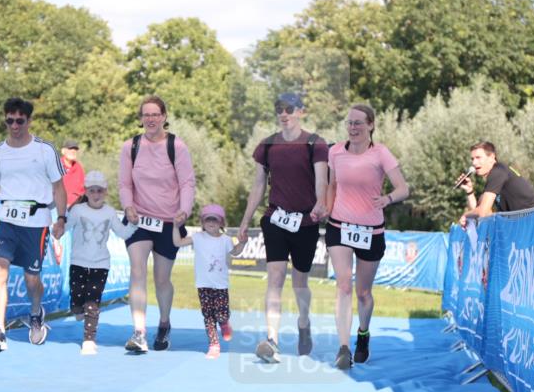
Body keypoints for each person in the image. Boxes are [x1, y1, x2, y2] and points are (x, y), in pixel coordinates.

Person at [238, 92, 328, 363]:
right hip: (275, 219)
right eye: (279, 109)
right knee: (275, 279)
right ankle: (272, 339)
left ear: (301, 111)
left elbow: (321, 180)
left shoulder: (316, 143)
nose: (284, 113)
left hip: (306, 221)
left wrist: (320, 204)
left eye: (289, 108)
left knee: (300, 281)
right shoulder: (267, 146)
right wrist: (245, 221)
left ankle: (303, 323)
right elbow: (257, 186)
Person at [0, 97, 67, 352]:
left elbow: (59, 186)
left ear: (28, 121)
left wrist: (61, 218)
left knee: (31, 279)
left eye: (19, 120)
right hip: (5, 218)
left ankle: (36, 312)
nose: (14, 125)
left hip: (36, 221)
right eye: (9, 120)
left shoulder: (44, 150)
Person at [325, 104, 409, 369]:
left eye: (359, 123)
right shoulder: (335, 152)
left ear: (371, 125)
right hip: (339, 226)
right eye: (349, 123)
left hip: (371, 230)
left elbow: (404, 188)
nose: (353, 128)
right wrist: (325, 210)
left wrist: (387, 198)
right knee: (343, 285)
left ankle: (363, 334)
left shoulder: (381, 153)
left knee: (362, 292)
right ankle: (343, 347)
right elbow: (331, 185)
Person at [118, 95, 196, 353]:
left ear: (164, 116)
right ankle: (139, 332)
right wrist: (128, 204)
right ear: (140, 119)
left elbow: (187, 183)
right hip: (138, 219)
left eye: (155, 114)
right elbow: (124, 183)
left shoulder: (177, 147)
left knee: (162, 279)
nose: (150, 119)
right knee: (137, 271)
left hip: (168, 221)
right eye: (146, 114)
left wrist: (184, 210)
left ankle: (164, 324)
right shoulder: (130, 147)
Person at [68, 170, 139, 355]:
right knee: (77, 301)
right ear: (85, 191)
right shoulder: (77, 211)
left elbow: (122, 233)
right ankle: (77, 308)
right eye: (92, 190)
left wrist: (133, 224)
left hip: (101, 264)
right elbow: (64, 227)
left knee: (92, 302)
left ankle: (89, 340)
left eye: (100, 190)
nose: (96, 194)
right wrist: (57, 227)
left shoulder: (109, 213)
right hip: (78, 262)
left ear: (105, 192)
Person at [172, 204, 246, 359]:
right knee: (208, 316)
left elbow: (236, 252)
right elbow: (177, 243)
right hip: (203, 285)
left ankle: (224, 323)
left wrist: (243, 242)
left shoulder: (225, 240)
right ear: (202, 222)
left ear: (221, 223)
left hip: (221, 286)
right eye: (207, 219)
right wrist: (175, 226)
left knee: (221, 314)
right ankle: (214, 345)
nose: (211, 223)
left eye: (215, 219)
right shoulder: (197, 238)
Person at [458, 141, 534, 226]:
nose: (474, 163)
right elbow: (480, 212)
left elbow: (482, 212)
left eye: (478, 157)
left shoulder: (497, 172)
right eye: (472, 159)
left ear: (491, 157)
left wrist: (465, 215)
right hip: (524, 224)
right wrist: (469, 191)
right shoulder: (495, 176)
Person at [60, 139, 86, 207]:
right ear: (63, 151)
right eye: (70, 149)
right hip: (57, 207)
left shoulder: (79, 168)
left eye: (75, 149)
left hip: (75, 208)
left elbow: (83, 190)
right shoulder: (56, 166)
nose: (73, 151)